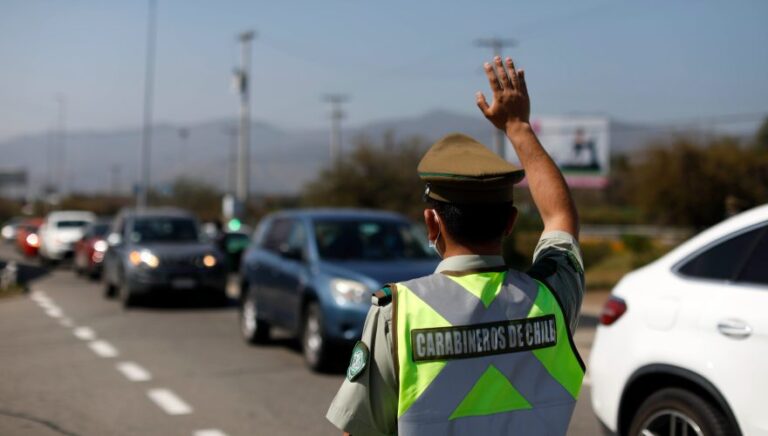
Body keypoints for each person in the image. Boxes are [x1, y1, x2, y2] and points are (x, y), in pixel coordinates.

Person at [326, 56, 585, 435]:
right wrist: (518, 126)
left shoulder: (397, 313)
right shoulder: (552, 299)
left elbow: (360, 430)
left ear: (432, 223)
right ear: (510, 222)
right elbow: (561, 218)